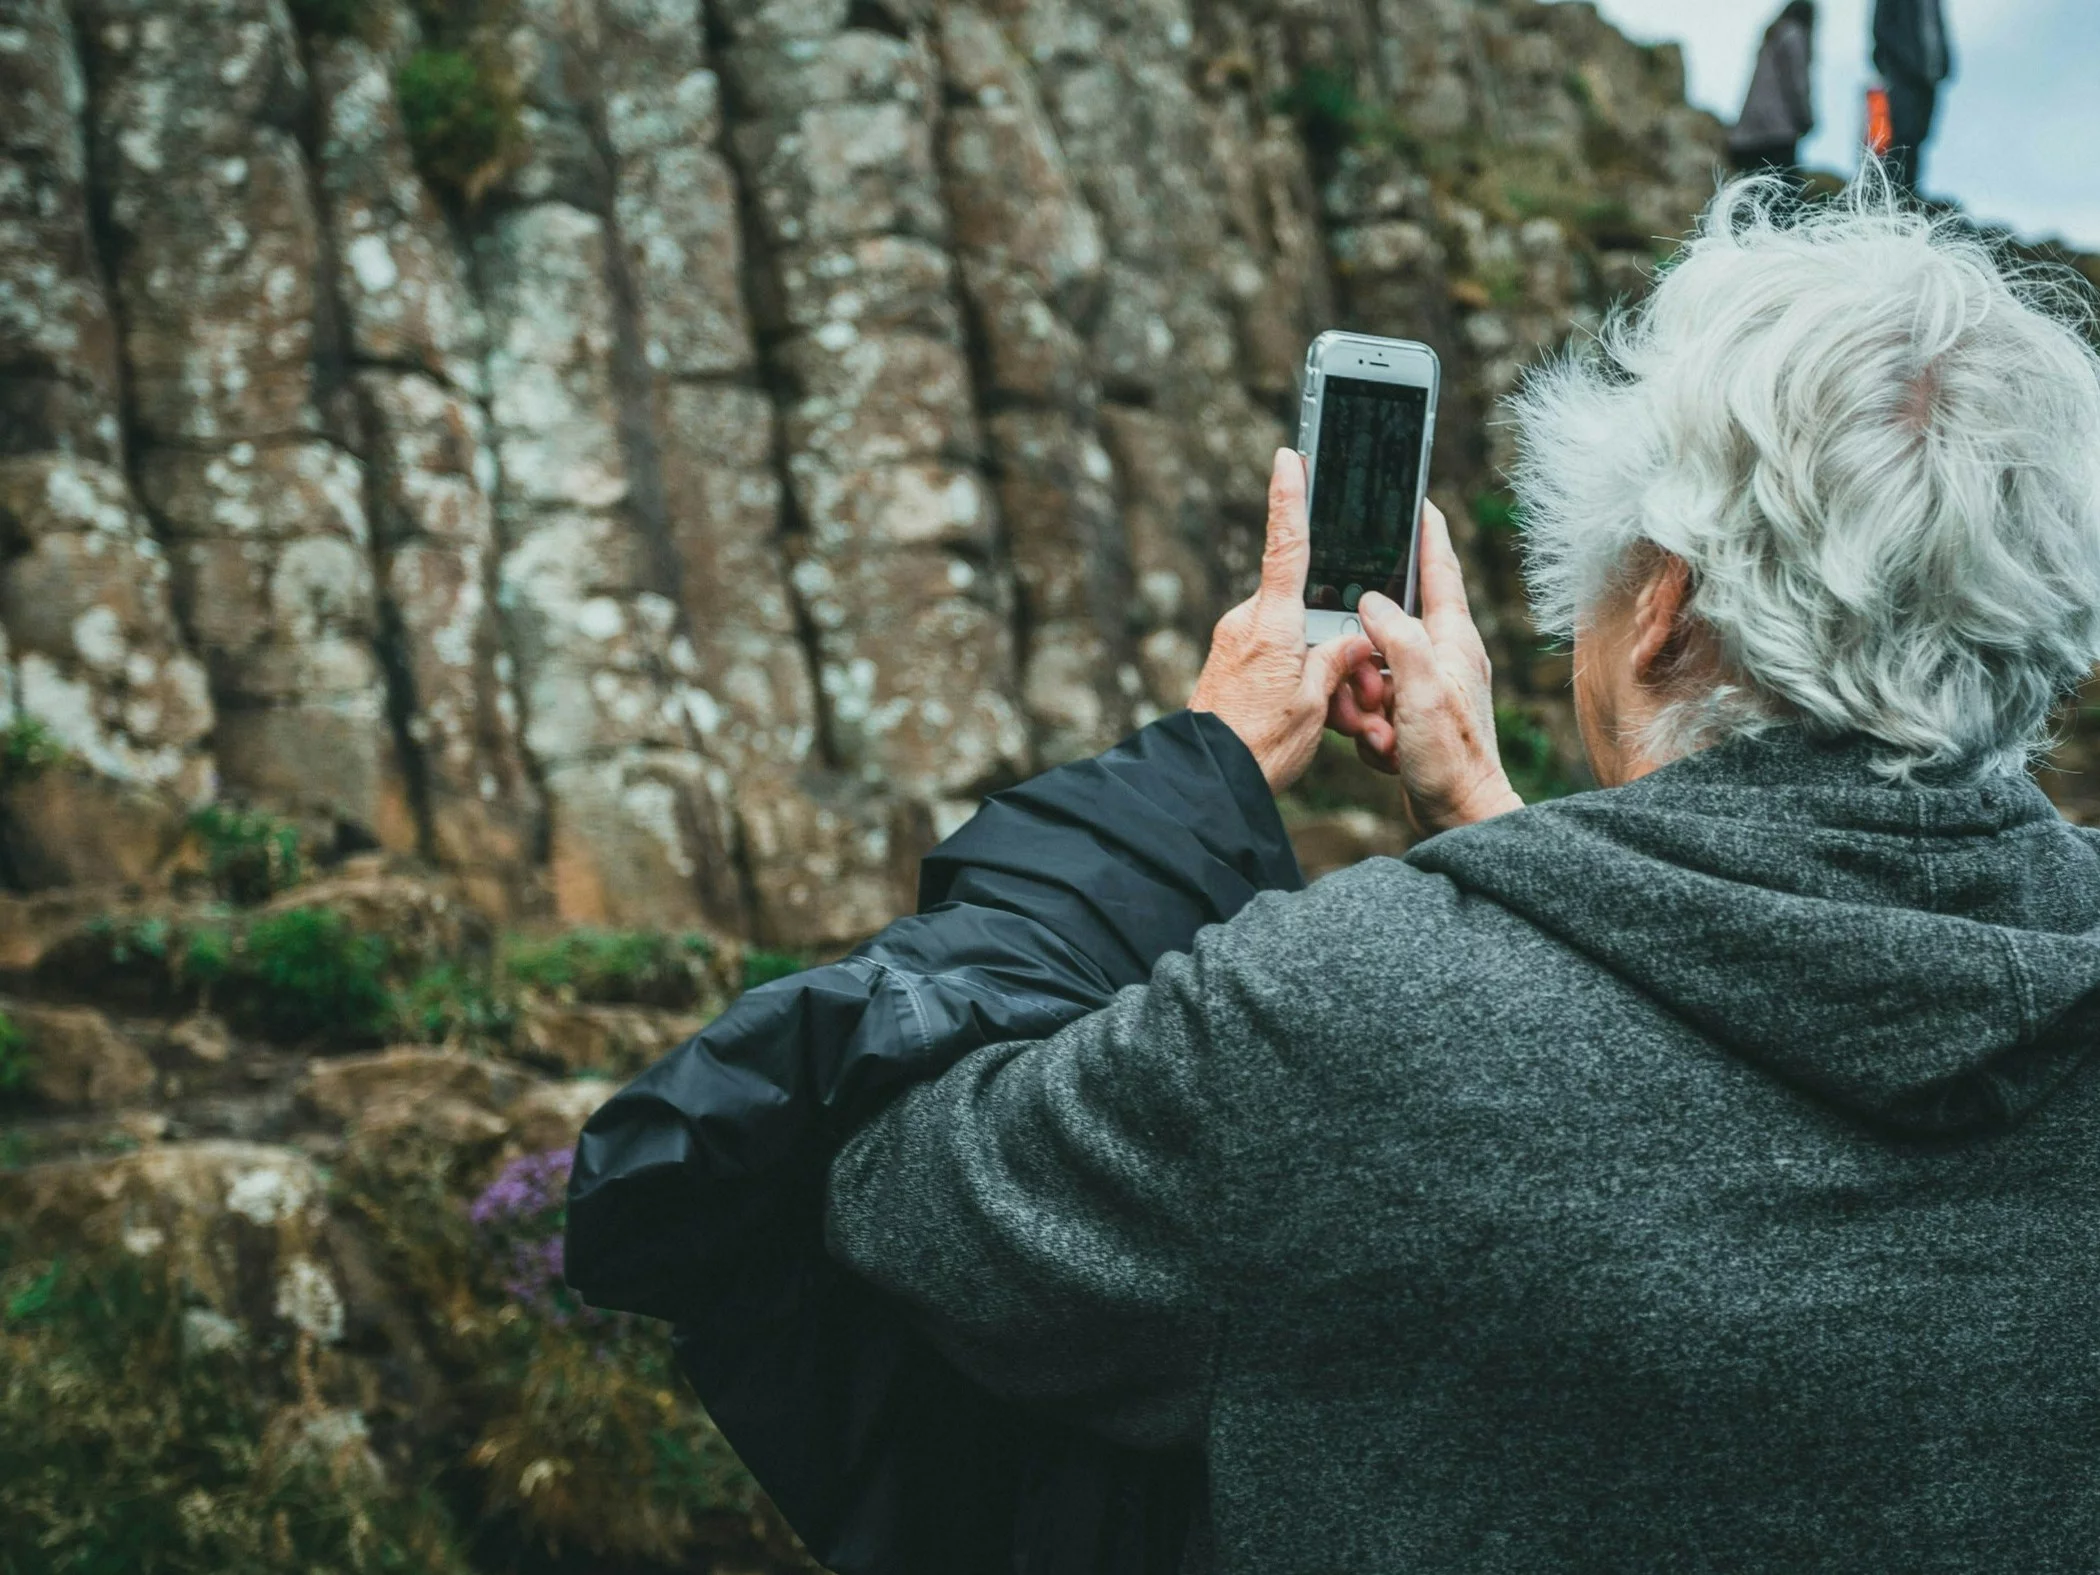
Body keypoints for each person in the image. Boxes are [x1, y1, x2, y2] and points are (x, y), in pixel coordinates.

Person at [568, 174, 2100, 1572]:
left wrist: (1192, 777)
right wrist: (1504, 840)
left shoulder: (1349, 1024)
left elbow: (895, 1192)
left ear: (1665, 613)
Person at [1730, 2, 1816, 177]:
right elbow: (1798, 84)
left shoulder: (1772, 37)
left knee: (1755, 194)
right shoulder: (1794, 36)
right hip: (1778, 132)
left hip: (1748, 133)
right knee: (1785, 196)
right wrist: (1806, 120)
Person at [1874, 0, 1952, 192]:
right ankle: (1892, 198)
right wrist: (1901, 65)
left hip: (1929, 79)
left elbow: (1937, 30)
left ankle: (1909, 194)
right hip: (1903, 78)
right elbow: (1881, 30)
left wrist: (1944, 66)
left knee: (1918, 139)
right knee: (1900, 141)